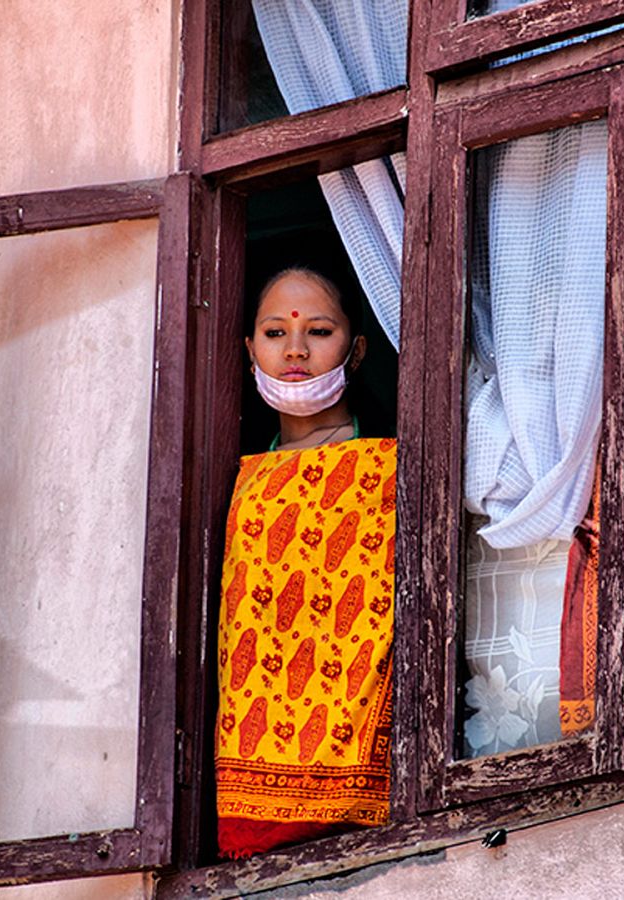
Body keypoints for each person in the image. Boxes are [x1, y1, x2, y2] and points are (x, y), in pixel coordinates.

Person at [213, 267, 397, 859]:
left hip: (368, 779)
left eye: (318, 331)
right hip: (250, 804)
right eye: (274, 334)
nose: (295, 350)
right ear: (248, 350)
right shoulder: (233, 480)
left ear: (358, 347)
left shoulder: (388, 466)